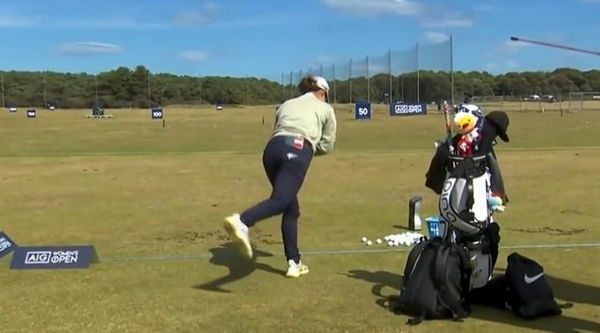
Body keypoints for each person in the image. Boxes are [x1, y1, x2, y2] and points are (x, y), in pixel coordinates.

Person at [224, 76, 337, 278]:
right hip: (298, 150)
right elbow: (327, 145)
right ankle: (242, 221)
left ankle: (294, 262)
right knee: (281, 200)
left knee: (291, 208)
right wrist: (309, 148)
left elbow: (279, 131)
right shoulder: (326, 109)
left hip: (271, 151)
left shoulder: (285, 104)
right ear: (322, 92)